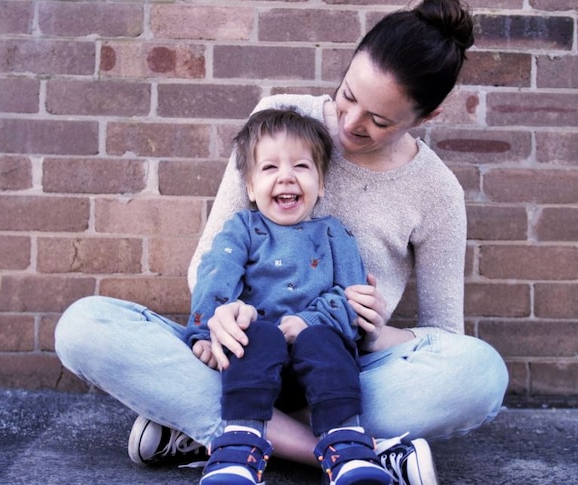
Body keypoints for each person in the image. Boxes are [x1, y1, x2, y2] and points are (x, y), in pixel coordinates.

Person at [54, 1, 509, 484]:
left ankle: (219, 433)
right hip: (240, 351)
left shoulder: (436, 192)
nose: (351, 122)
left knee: (480, 374)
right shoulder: (279, 119)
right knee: (84, 326)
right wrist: (220, 319)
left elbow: (444, 334)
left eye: (379, 120)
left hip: (343, 365)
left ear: (428, 115)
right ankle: (344, 451)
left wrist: (377, 333)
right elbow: (211, 260)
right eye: (347, 95)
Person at [186, 107, 390, 485]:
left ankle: (346, 446)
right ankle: (238, 448)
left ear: (321, 183)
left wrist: (308, 322)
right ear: (249, 186)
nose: (286, 177)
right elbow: (215, 279)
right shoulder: (243, 229)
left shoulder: (334, 234)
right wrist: (203, 334)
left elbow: (353, 300)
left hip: (318, 369)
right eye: (269, 168)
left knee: (324, 341)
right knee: (255, 331)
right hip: (251, 363)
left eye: (301, 166)